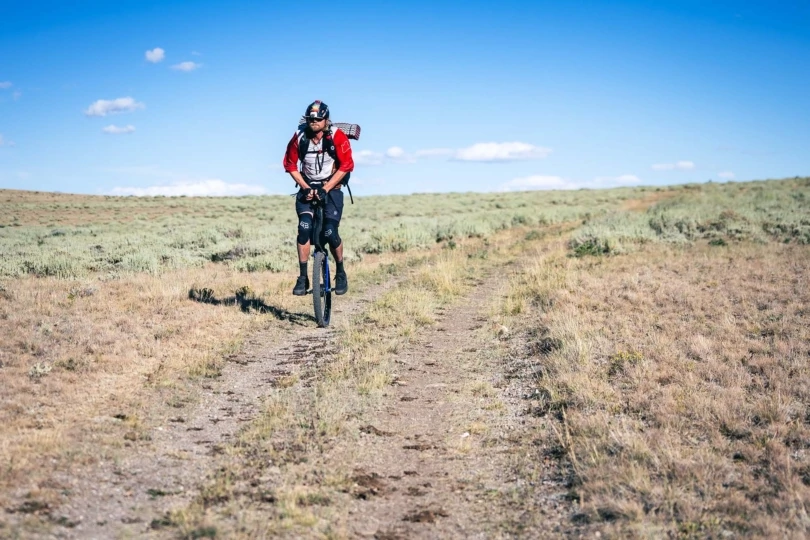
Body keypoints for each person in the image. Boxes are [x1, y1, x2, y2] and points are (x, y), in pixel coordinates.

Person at [283, 100, 354, 296]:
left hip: (332, 187)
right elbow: (290, 165)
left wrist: (326, 188)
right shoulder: (299, 137)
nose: (314, 122)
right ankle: (303, 277)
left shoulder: (336, 136)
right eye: (311, 119)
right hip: (307, 187)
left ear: (326, 120)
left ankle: (340, 272)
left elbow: (346, 165)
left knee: (330, 232)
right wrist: (305, 187)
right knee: (304, 228)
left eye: (318, 119)